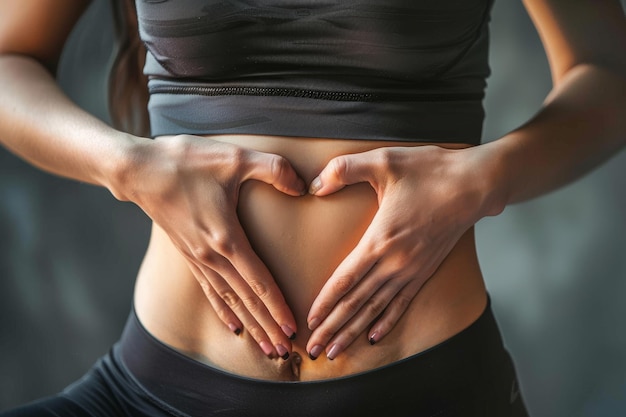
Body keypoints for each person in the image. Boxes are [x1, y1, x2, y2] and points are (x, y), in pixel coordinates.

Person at [1, 0, 624, 416]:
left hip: (430, 394)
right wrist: (125, 166)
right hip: (155, 390)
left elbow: (610, 72)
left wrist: (483, 179)